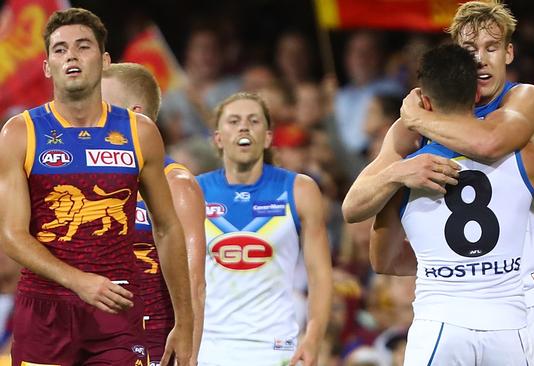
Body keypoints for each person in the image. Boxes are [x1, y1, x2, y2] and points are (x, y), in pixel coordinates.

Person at [342, 2, 534, 365]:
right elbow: (354, 205)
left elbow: (489, 144)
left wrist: (416, 117)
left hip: (528, 289)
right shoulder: (410, 127)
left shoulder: (523, 99)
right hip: (460, 302)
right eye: (469, 50)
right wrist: (398, 172)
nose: (480, 59)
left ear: (509, 52)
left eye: (491, 48)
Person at [0, 8, 193, 365]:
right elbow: (11, 235)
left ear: (104, 61)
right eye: (59, 50)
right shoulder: (19, 133)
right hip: (44, 313)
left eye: (83, 46)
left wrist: (185, 322)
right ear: (47, 66)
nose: (71, 55)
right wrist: (79, 281)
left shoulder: (140, 132)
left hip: (116, 310)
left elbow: (167, 229)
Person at [196, 92, 332, 366]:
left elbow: (320, 276)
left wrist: (314, 338)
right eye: (233, 121)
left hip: (277, 346)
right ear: (218, 138)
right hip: (209, 345)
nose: (244, 127)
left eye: (253, 120)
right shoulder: (193, 191)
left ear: (268, 137)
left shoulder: (300, 190)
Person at [102, 62, 206, 366]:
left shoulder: (177, 185)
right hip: (98, 338)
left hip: (153, 342)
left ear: (137, 115)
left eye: (103, 106)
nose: (92, 116)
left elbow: (194, 283)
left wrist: (189, 353)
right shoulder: (97, 180)